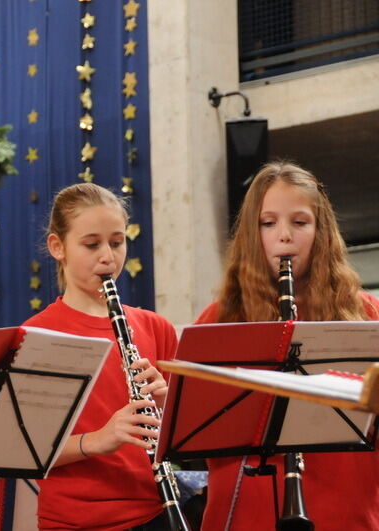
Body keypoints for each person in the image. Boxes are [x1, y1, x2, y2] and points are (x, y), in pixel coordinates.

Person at [197, 161, 379, 530]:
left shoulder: (365, 312)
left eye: (300, 222)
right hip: (247, 508)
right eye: (268, 223)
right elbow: (197, 429)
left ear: (321, 231)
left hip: (345, 507)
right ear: (252, 233)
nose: (284, 236)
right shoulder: (219, 319)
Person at [23, 182, 178, 530]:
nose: (108, 256)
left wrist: (169, 403)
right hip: (75, 520)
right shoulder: (36, 335)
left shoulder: (156, 328)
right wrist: (96, 440)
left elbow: (186, 437)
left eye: (117, 242)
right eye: (92, 244)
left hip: (155, 511)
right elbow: (23, 450)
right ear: (57, 247)